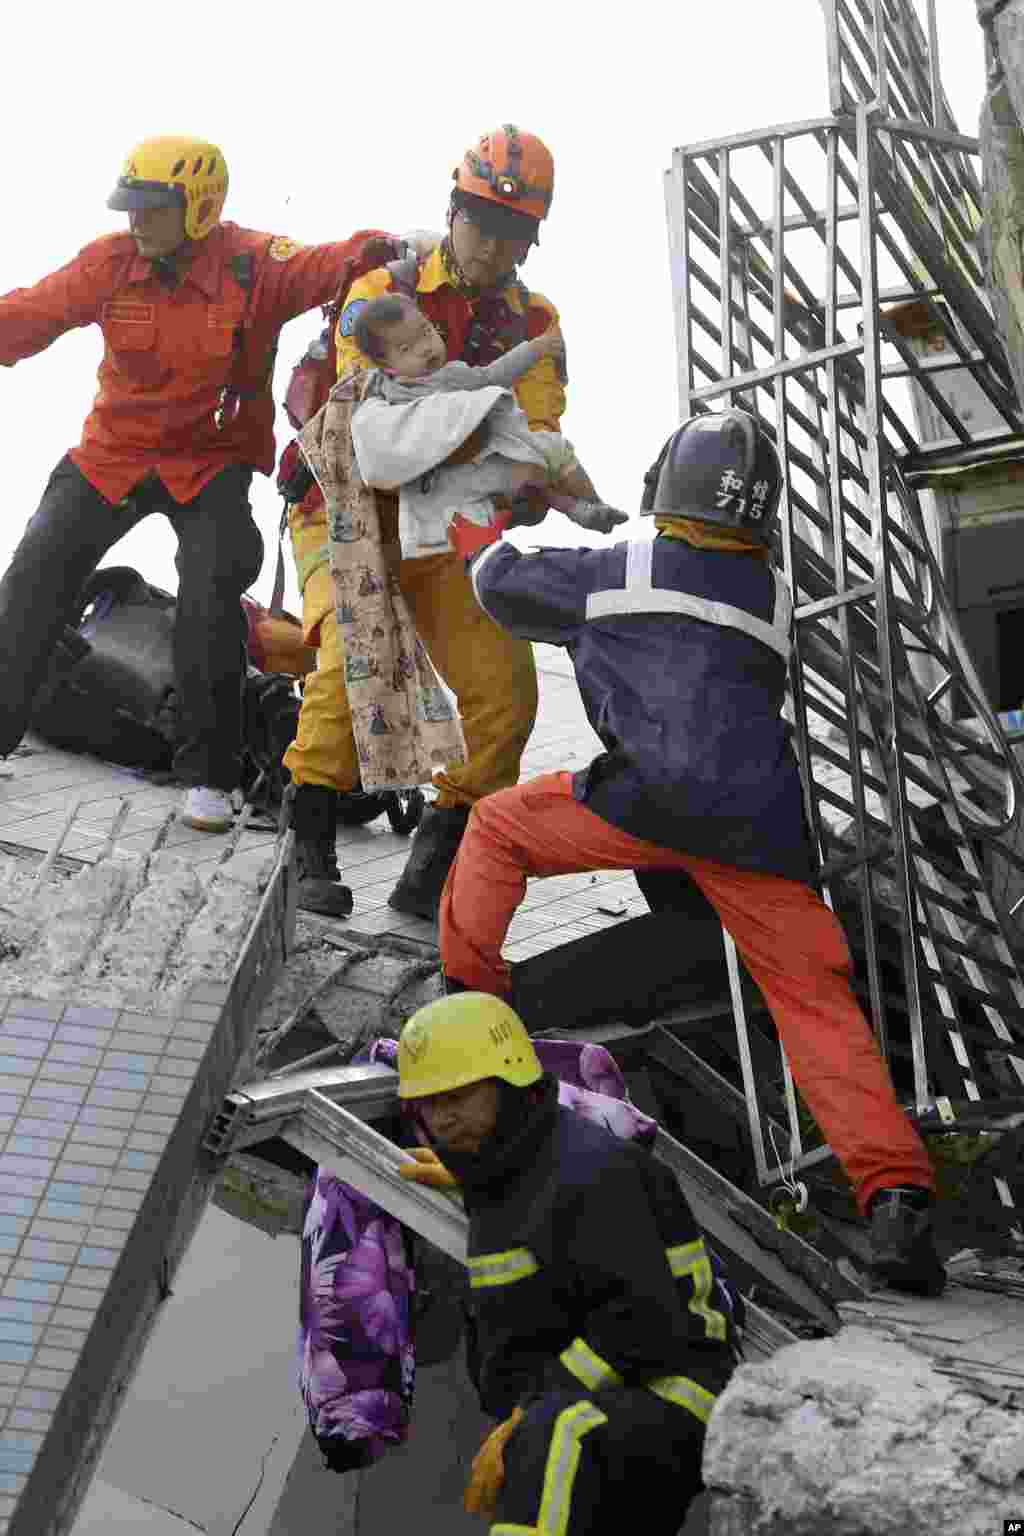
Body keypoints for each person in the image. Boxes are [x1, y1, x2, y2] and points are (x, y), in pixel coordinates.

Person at [438, 407, 946, 1298]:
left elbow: (496, 584)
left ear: (663, 488)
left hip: (652, 806)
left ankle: (467, 999)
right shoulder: (774, 594)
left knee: (499, 829)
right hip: (761, 829)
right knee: (814, 1006)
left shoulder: (623, 566)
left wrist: (494, 519)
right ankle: (895, 1195)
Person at [0, 134, 392, 832]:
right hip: (113, 454)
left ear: (200, 208)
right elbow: (30, 314)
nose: (135, 221)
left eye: (150, 208)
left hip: (211, 464)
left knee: (209, 597)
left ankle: (211, 780)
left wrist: (393, 247)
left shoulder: (253, 266)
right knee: (33, 576)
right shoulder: (111, 261)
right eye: (130, 207)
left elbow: (333, 263)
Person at [282, 126, 567, 920]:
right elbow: (372, 435)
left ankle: (434, 863)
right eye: (482, 221)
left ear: (532, 240)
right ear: (453, 210)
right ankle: (307, 837)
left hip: (449, 528)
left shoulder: (537, 323)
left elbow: (535, 444)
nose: (493, 243)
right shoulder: (382, 286)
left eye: (514, 231)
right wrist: (486, 437)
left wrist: (505, 462)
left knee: (506, 694)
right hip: (344, 508)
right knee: (353, 654)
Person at [395, 991, 735, 1535]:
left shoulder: (590, 1173)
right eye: (429, 1103)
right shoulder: (506, 1164)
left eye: (458, 1095)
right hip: (604, 1395)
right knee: (544, 1439)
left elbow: (640, 1326)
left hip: (676, 1391)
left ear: (509, 1082)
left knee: (552, 1443)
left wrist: (526, 1415)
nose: (443, 1117)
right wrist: (471, 1179)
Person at [349, 296, 626, 557]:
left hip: (478, 478)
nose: (425, 347)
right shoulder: (382, 398)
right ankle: (585, 505)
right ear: (383, 364)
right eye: (406, 348)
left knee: (542, 465)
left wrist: (533, 348)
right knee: (549, 456)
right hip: (459, 481)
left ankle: (584, 508)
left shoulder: (447, 377)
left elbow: (494, 375)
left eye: (425, 332)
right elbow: (373, 440)